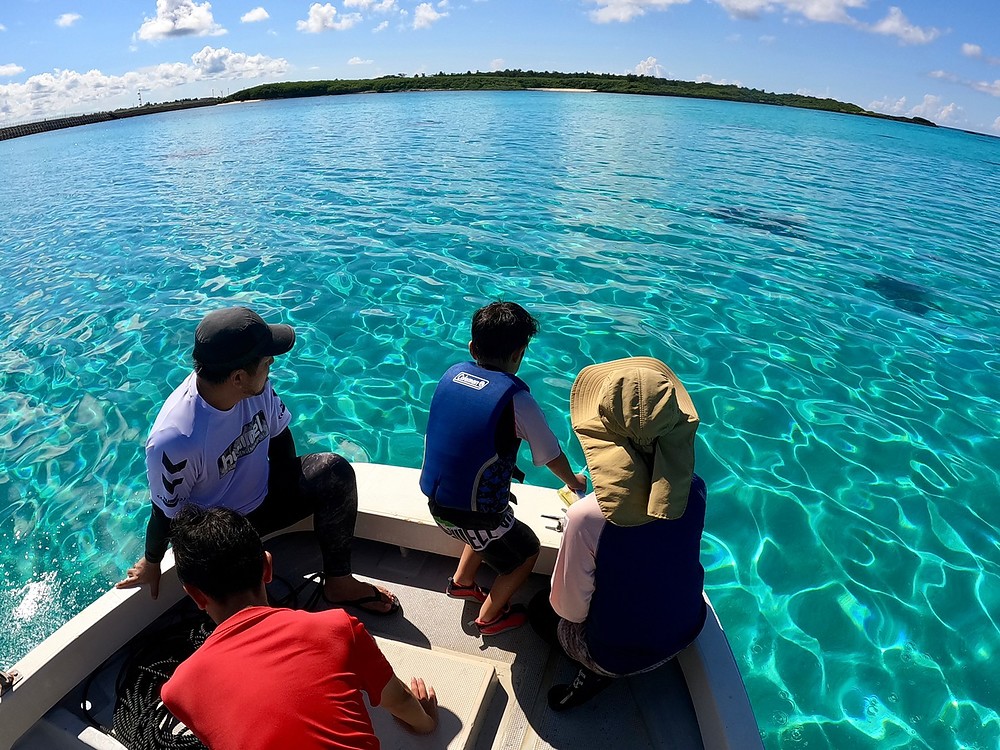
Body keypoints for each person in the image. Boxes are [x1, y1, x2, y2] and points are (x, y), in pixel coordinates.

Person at [117, 306, 397, 614]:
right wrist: (152, 560)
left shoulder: (255, 387)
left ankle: (339, 583)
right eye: (266, 361)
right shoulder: (175, 438)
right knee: (259, 612)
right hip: (220, 532)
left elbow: (279, 437)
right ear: (237, 377)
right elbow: (166, 513)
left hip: (261, 500)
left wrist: (287, 489)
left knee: (335, 472)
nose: (272, 364)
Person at [161, 505, 438, 749]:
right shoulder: (337, 628)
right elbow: (399, 700)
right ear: (267, 567)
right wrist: (426, 724)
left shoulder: (178, 690)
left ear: (195, 595)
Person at [529, 356, 708, 710]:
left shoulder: (587, 518)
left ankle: (594, 673)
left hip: (616, 657)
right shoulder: (695, 488)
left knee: (539, 610)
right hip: (687, 628)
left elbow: (569, 609)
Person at [419, 301, 588, 635]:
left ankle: (462, 582)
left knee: (488, 529)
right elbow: (550, 454)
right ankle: (490, 618)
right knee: (525, 552)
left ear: (472, 347)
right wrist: (574, 481)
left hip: (437, 505)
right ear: (520, 353)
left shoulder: (452, 375)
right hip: (475, 517)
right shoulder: (517, 400)